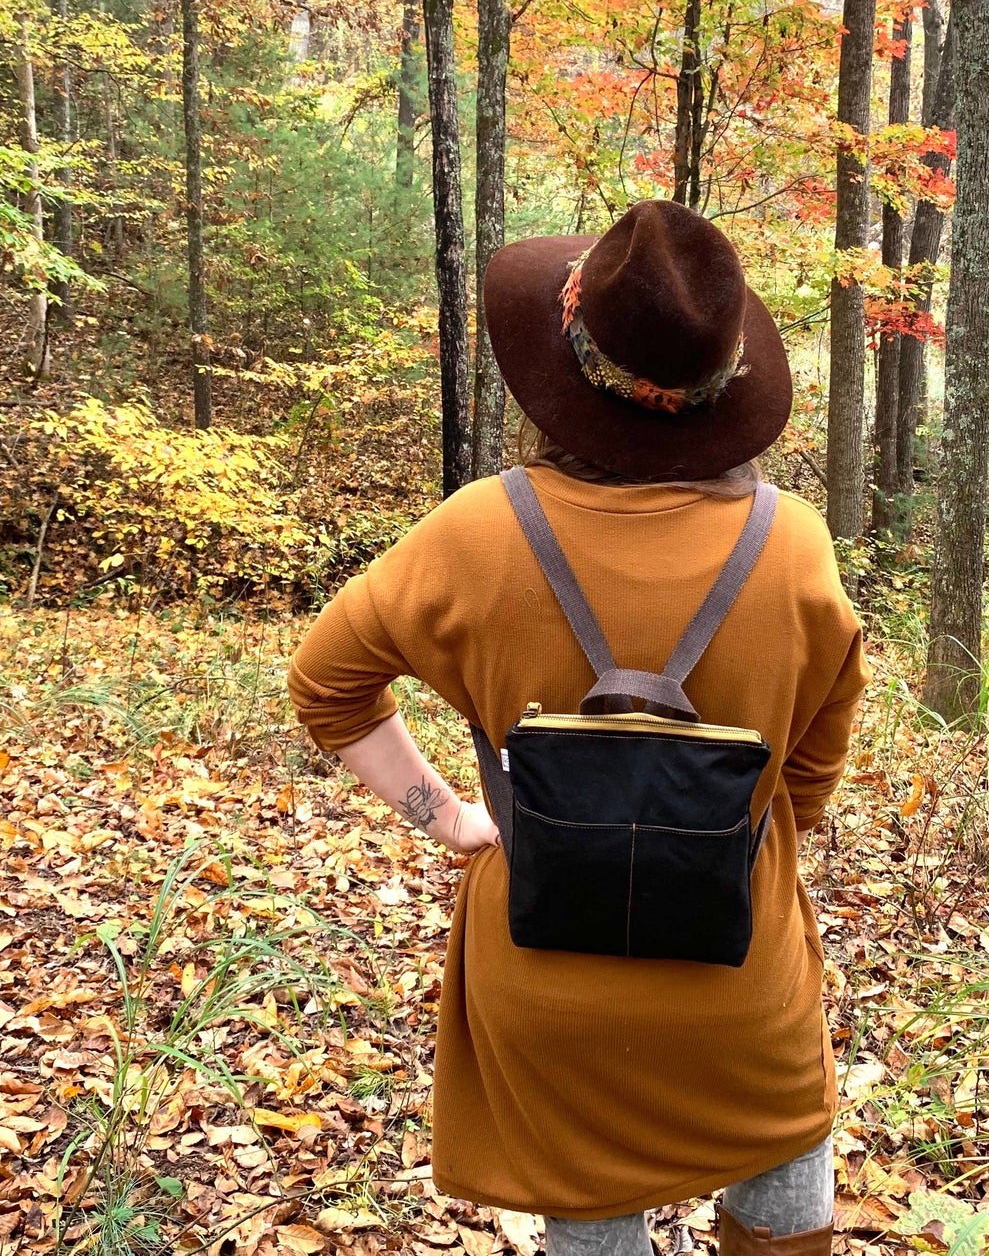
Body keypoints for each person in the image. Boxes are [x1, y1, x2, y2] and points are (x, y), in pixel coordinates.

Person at [287, 200, 870, 1256]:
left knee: (592, 1231)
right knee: (783, 1208)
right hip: (739, 980)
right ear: (721, 388)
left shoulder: (474, 535)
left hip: (543, 975)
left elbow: (326, 684)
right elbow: (805, 785)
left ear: (565, 372)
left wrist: (449, 815)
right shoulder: (793, 549)